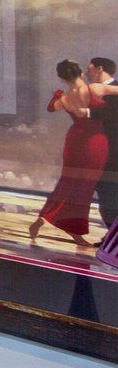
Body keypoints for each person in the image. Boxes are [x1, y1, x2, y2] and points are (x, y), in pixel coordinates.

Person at [29, 59, 109, 248]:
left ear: (61, 77)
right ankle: (74, 231)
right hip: (95, 142)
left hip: (75, 142)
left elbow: (52, 108)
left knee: (68, 183)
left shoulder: (64, 98)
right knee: (83, 188)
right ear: (80, 72)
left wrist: (59, 96)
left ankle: (44, 218)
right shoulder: (95, 89)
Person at [90, 57, 118, 229]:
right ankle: (111, 236)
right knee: (105, 193)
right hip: (102, 151)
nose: (87, 72)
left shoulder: (112, 89)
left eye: (90, 68)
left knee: (109, 193)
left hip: (113, 153)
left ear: (99, 68)